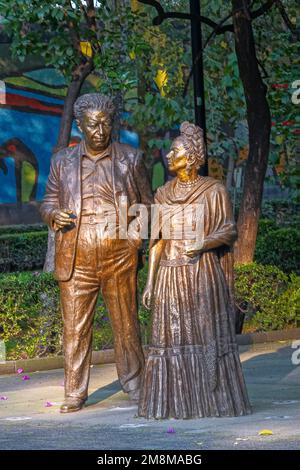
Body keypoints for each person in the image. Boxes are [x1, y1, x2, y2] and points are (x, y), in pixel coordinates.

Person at [40, 93, 153, 413]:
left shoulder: (131, 159)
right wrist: (52, 215)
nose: (100, 131)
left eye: (106, 124)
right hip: (76, 259)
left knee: (126, 323)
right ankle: (74, 390)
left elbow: (149, 205)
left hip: (119, 256)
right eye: (93, 125)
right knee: (74, 328)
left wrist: (134, 240)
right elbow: (48, 201)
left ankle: (135, 381)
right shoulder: (62, 161)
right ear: (79, 126)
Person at [138, 121, 251, 419]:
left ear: (190, 157)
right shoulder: (162, 194)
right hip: (170, 276)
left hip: (201, 273)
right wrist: (150, 282)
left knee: (206, 336)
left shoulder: (213, 190)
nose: (168, 157)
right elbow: (157, 242)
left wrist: (201, 243)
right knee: (170, 340)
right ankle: (174, 402)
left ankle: (211, 401)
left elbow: (228, 230)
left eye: (174, 152)